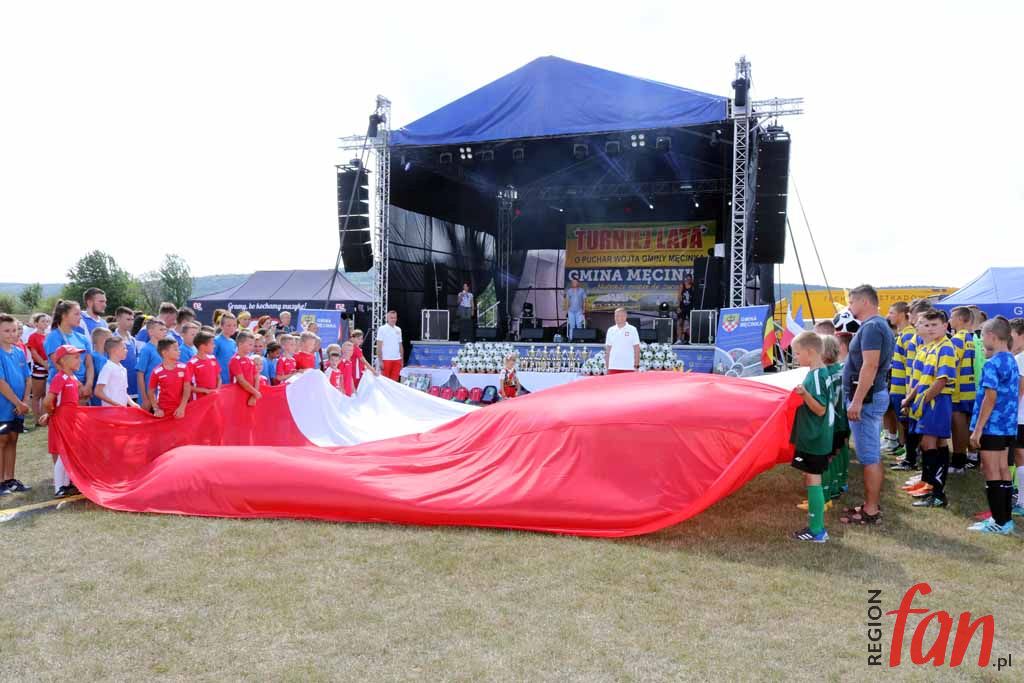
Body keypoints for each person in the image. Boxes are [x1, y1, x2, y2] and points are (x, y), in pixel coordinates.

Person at [838, 285, 894, 526]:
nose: (850, 308)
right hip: (871, 396)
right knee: (870, 453)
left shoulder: (872, 327)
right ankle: (870, 505)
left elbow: (869, 366)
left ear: (864, 301)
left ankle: (870, 511)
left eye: (852, 302)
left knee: (869, 456)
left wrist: (858, 400)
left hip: (867, 398)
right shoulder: (877, 326)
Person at [967, 317, 1020, 534]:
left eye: (981, 335)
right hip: (1008, 426)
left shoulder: (993, 363)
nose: (980, 339)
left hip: (992, 426)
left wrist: (978, 429)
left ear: (990, 336)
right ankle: (1005, 520)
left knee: (991, 471)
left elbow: (990, 398)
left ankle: (998, 521)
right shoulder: (1011, 360)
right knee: (1003, 470)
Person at [901, 310, 956, 508]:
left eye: (935, 325)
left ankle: (936, 492)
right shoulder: (929, 347)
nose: (930, 329)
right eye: (927, 325)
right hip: (926, 402)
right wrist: (910, 399)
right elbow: (923, 379)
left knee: (929, 443)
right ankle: (930, 487)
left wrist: (923, 401)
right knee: (932, 444)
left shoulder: (946, 348)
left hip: (937, 402)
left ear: (945, 326)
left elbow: (942, 380)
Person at [789, 332, 836, 543]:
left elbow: (819, 409)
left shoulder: (817, 376)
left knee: (813, 479)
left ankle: (817, 530)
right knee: (811, 478)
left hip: (815, 437)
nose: (796, 357)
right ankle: (816, 527)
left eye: (797, 353)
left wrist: (804, 395)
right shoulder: (819, 372)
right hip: (817, 435)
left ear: (810, 352)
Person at [39, 344, 84, 497]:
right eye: (76, 358)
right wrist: (52, 414)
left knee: (70, 452)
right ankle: (59, 486)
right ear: (63, 361)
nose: (80, 361)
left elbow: (77, 391)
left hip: (71, 418)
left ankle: (67, 483)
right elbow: (48, 400)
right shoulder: (60, 377)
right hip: (63, 419)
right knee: (63, 453)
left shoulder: (72, 377)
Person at [0, 313, 32, 495]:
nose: (12, 334)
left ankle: (9, 479)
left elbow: (27, 378)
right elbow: (1, 382)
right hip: (4, 406)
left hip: (19, 407)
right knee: (2, 440)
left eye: (14, 330)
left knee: (13, 438)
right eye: (6, 331)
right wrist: (17, 402)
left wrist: (25, 402)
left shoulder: (19, 351)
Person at [44, 300, 94, 404]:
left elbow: (89, 364)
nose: (80, 317)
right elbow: (59, 365)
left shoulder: (83, 338)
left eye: (80, 314)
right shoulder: (54, 337)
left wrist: (88, 385)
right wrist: (79, 385)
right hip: (62, 387)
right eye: (76, 314)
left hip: (82, 388)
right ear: (64, 315)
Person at [949, 306, 977, 473]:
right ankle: (968, 457)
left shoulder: (957, 339)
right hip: (970, 388)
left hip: (959, 390)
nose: (950, 321)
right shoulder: (971, 338)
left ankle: (958, 462)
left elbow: (951, 364)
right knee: (965, 425)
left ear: (960, 319)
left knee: (958, 425)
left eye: (952, 317)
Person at [886, 302, 914, 461]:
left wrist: (908, 391)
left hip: (903, 387)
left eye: (891, 312)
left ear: (902, 314)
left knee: (906, 422)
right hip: (897, 386)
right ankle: (904, 447)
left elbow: (910, 365)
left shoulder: (909, 335)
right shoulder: (902, 334)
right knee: (902, 421)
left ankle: (910, 452)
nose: (888, 316)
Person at [148, 339, 191, 419]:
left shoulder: (184, 367)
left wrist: (182, 407)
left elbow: (187, 388)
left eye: (178, 349)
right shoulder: (157, 371)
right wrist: (156, 409)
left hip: (181, 410)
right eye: (175, 349)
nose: (179, 351)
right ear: (164, 353)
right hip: (164, 411)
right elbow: (151, 392)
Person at [94, 337, 138, 408]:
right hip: (110, 412)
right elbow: (98, 392)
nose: (126, 350)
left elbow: (123, 392)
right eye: (124, 348)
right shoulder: (108, 368)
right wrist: (116, 404)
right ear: (114, 350)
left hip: (121, 411)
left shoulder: (123, 369)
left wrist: (132, 403)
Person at [1009, 317, 1024, 515]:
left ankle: (1021, 501)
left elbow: (1019, 390)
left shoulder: (1020, 359)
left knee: (1020, 456)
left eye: (1011, 335)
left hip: (1020, 416)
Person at [136, 319, 167, 412]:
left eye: (165, 329)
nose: (164, 332)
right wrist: (144, 398)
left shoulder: (163, 349)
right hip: (148, 397)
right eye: (161, 330)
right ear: (151, 332)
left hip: (160, 395)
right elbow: (140, 374)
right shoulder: (146, 349)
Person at [26, 312, 50, 421]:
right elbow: (34, 353)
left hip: (48, 367)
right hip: (39, 368)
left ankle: (43, 417)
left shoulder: (47, 336)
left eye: (47, 321)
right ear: (36, 323)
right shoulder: (33, 336)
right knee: (37, 395)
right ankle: (37, 418)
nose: (46, 323)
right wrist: (44, 364)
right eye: (43, 321)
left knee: (46, 394)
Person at [229, 331, 261, 407]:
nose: (252, 347)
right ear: (240, 344)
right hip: (238, 395)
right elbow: (241, 381)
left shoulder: (250, 360)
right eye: (250, 344)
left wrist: (254, 395)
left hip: (251, 395)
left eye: (253, 345)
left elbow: (256, 377)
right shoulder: (235, 360)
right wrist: (255, 393)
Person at [604, 308, 640, 374]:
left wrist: (636, 366)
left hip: (628, 367)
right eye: (616, 316)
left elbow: (637, 348)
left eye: (620, 315)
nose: (617, 318)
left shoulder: (632, 329)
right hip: (613, 367)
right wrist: (607, 367)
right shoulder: (610, 330)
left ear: (625, 316)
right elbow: (608, 350)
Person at [188, 331, 221, 399]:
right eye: (212, 344)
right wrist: (206, 391)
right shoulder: (192, 363)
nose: (214, 346)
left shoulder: (213, 358)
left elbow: (219, 378)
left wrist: (217, 389)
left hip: (213, 398)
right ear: (202, 346)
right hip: (198, 401)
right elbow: (187, 386)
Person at [376, 310, 404, 382]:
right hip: (386, 359)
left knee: (394, 382)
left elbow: (400, 345)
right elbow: (379, 346)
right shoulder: (382, 329)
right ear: (387, 318)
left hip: (397, 359)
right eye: (391, 318)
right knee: (385, 382)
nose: (393, 319)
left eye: (395, 318)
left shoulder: (398, 329)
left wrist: (401, 360)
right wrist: (380, 361)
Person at [89, 326, 112, 406]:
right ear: (103, 340)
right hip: (98, 399)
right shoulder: (94, 357)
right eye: (110, 339)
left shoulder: (108, 356)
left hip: (109, 395)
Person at [214, 313, 238, 385]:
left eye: (234, 325)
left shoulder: (233, 342)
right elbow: (211, 360)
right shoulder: (216, 340)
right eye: (228, 325)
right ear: (221, 326)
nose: (232, 328)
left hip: (231, 378)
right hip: (219, 380)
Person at [564, 275, 587, 342]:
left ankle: (579, 338)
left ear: (578, 283)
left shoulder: (582, 290)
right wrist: (567, 310)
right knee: (572, 325)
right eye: (572, 282)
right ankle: (571, 338)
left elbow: (584, 301)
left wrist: (584, 310)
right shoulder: (569, 291)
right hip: (571, 311)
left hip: (579, 311)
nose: (573, 283)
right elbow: (567, 301)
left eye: (575, 282)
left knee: (579, 325)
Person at [676, 274, 694, 343]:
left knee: (691, 323)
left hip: (690, 307)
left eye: (690, 279)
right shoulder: (682, 285)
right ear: (685, 279)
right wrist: (678, 307)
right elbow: (679, 296)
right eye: (687, 279)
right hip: (682, 306)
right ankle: (679, 339)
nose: (688, 280)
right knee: (680, 322)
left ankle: (691, 339)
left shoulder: (693, 286)